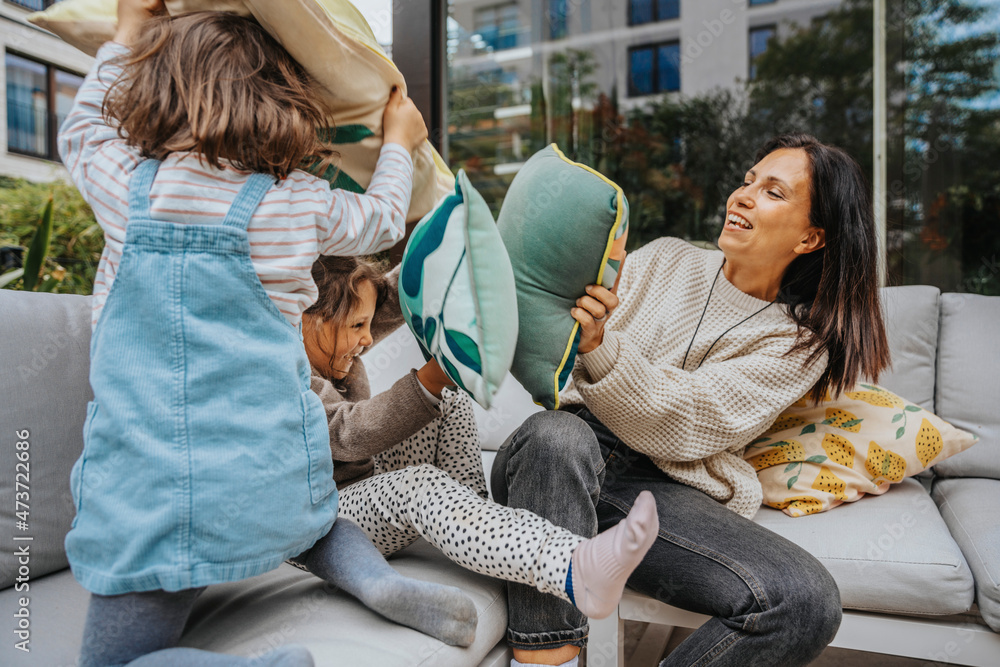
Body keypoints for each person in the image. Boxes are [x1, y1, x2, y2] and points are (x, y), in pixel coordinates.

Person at [59, 3, 476, 665]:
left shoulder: (128, 187)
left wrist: (127, 32)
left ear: (155, 92)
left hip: (157, 501)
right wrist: (398, 141)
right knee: (318, 525)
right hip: (272, 476)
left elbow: (80, 132)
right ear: (284, 109)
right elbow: (381, 219)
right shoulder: (296, 202)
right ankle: (380, 582)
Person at [491, 134, 891, 667]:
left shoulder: (797, 344)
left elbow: (687, 419)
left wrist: (600, 345)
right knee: (555, 434)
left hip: (661, 486)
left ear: (810, 238)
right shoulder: (666, 258)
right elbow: (555, 349)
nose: (743, 195)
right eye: (748, 181)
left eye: (773, 192)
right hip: (556, 466)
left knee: (803, 600)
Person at [297, 255, 660, 624]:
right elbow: (344, 433)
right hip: (328, 517)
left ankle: (474, 521)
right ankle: (576, 570)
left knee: (447, 398)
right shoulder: (286, 373)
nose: (368, 337)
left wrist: (458, 252)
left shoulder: (328, 337)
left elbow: (395, 297)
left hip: (365, 480)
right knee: (417, 482)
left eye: (368, 323)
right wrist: (431, 378)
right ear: (308, 319)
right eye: (358, 325)